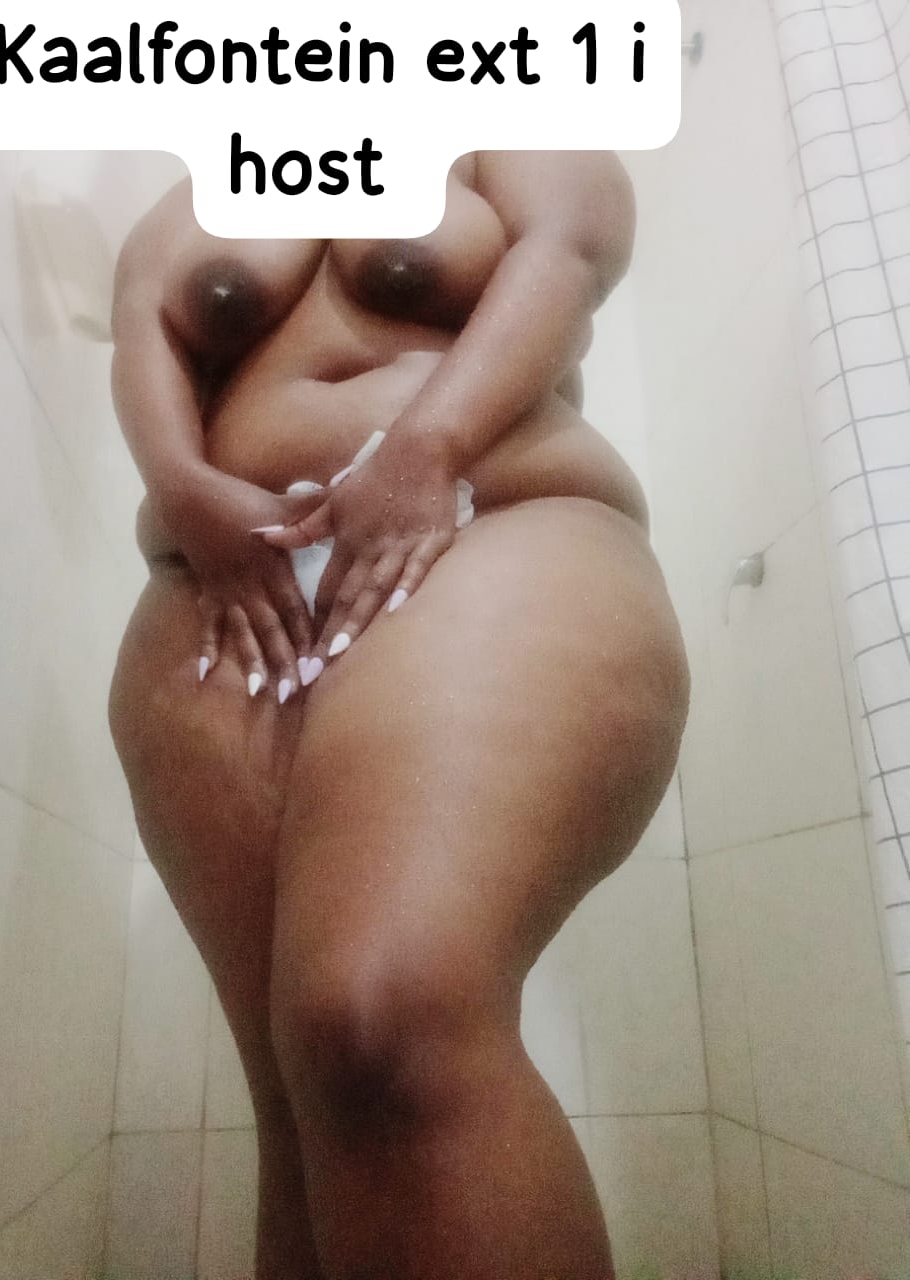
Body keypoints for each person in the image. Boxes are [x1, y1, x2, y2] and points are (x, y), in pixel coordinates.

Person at [108, 150, 689, 1280]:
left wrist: (427, 448)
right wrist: (181, 487)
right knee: (298, 1099)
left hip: (485, 520)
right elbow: (145, 331)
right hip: (220, 589)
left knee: (381, 1019)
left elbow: (567, 255)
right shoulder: (213, 177)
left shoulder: (506, 125)